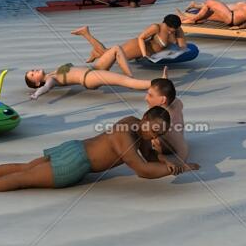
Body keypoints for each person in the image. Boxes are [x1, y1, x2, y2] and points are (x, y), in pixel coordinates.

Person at [0, 108, 188, 193]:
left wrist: (167, 161)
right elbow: (142, 170)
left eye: (159, 134)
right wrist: (170, 169)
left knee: (26, 169)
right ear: (146, 118)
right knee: (24, 176)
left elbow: (148, 155)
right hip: (74, 163)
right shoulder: (125, 136)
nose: (154, 136)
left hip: (76, 146)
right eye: (154, 130)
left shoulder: (133, 123)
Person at [70, 15, 186, 77]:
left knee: (107, 53)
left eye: (173, 30)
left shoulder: (176, 29)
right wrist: (145, 54)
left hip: (147, 52)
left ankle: (96, 52)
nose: (171, 32)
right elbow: (141, 37)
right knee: (111, 56)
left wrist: (176, 47)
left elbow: (182, 46)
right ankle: (86, 33)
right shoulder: (157, 27)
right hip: (137, 47)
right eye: (169, 29)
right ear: (165, 23)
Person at [145, 78, 197, 171]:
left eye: (150, 95)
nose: (146, 98)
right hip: (174, 139)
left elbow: (183, 148)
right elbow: (169, 93)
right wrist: (164, 82)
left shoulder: (167, 125)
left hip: (167, 149)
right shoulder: (176, 102)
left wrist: (179, 164)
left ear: (162, 100)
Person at [24, 64, 161, 99]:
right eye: (32, 74)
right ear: (36, 83)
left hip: (91, 74)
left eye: (32, 70)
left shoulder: (52, 73)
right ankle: (158, 83)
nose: (35, 71)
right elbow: (46, 88)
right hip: (88, 78)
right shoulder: (50, 79)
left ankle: (155, 84)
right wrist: (36, 94)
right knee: (124, 80)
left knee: (124, 80)